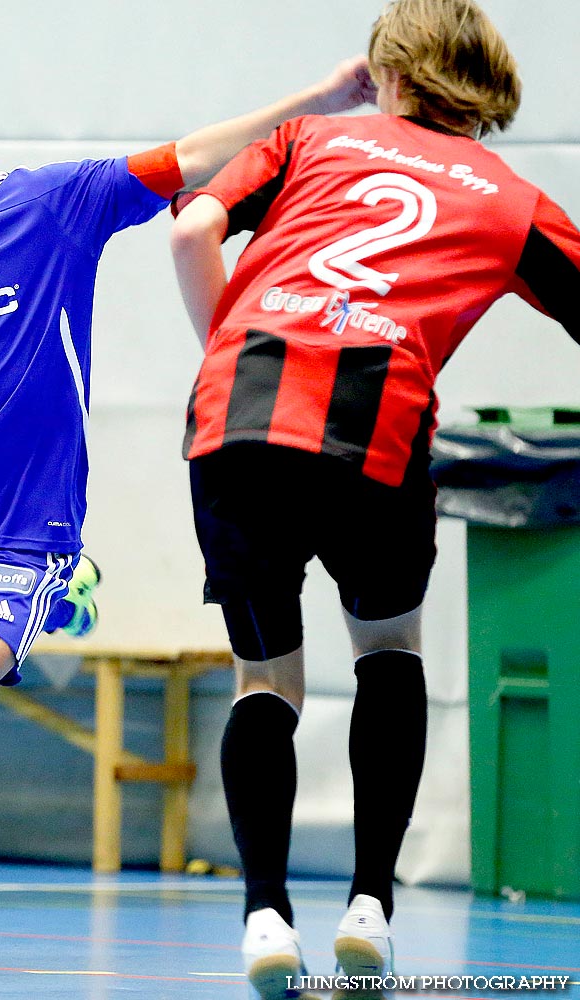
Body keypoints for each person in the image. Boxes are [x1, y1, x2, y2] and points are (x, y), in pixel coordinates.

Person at [0, 62, 374, 951]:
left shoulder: (45, 210)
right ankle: (60, 602)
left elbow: (191, 158)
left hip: (21, 526)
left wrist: (319, 102)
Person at [167, 1, 580, 995]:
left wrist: (229, 348)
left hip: (238, 416)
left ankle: (265, 916)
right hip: (375, 430)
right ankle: (370, 906)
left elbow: (189, 227)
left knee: (266, 682)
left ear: (389, 74)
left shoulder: (311, 138)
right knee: (387, 650)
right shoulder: (511, 196)